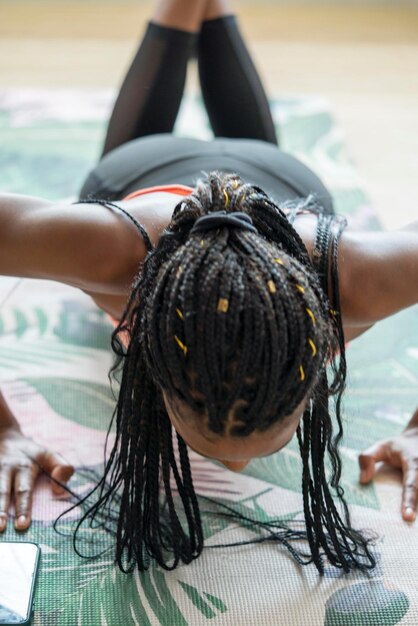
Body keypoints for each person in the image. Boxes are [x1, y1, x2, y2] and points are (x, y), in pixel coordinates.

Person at [0, 0, 417, 576]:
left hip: (280, 186)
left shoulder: (360, 279)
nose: (238, 468)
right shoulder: (108, 253)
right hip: (165, 175)